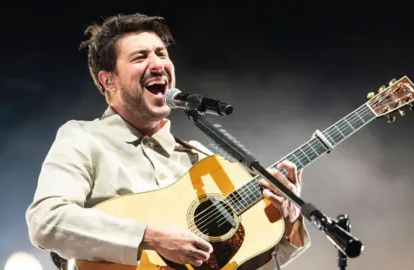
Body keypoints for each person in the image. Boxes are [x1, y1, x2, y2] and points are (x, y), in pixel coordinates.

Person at [25, 13, 311, 269]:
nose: (158, 64)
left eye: (161, 54)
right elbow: (46, 221)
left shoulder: (200, 159)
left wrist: (288, 219)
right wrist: (150, 237)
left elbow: (244, 262)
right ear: (108, 80)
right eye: (140, 57)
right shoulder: (82, 138)